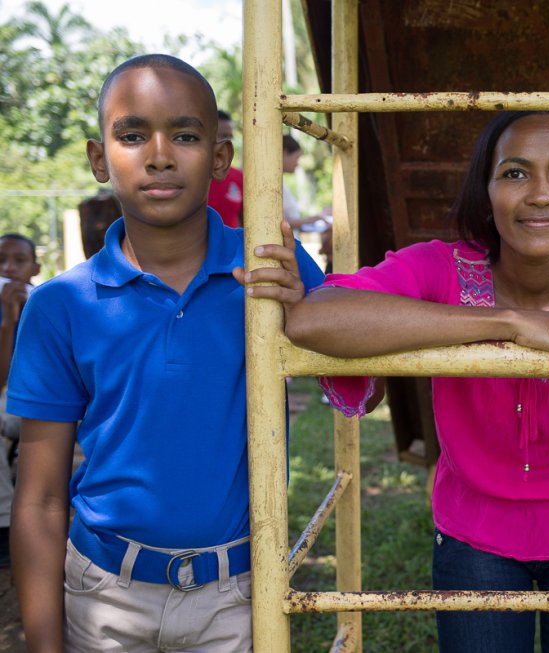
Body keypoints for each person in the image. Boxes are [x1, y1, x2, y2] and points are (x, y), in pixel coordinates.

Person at [283, 111, 549, 652]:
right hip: (475, 537)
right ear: (487, 188)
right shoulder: (441, 269)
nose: (541, 194)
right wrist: (509, 325)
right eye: (516, 173)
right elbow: (315, 318)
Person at [7, 54, 324, 652]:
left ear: (222, 157)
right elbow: (42, 497)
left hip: (237, 594)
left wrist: (305, 309)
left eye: (185, 134)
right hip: (103, 597)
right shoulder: (61, 306)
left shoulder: (270, 268)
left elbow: (362, 389)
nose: (159, 155)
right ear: (99, 159)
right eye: (132, 135)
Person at [0, 233, 40, 568]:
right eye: (1, 261)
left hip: (35, 404)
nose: (9, 268)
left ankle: (5, 526)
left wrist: (22, 314)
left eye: (19, 261)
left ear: (35, 268)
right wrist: (7, 322)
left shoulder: (44, 303)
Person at [282, 134, 331, 232]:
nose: (297, 163)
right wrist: (312, 220)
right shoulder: (271, 185)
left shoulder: (282, 184)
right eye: (296, 157)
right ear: (284, 153)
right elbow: (277, 222)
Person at [207, 109, 245, 228]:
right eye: (222, 136)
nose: (227, 142)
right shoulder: (187, 176)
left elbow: (248, 223)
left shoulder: (239, 177)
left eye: (230, 137)